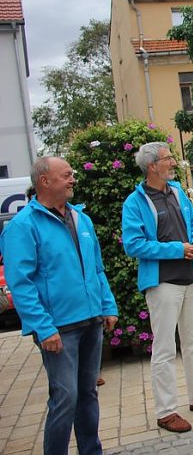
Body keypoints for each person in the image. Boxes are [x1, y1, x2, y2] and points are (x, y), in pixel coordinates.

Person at [3, 157, 118, 454]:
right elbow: (21, 283)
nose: (73, 179)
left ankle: (91, 451)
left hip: (91, 320)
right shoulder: (23, 226)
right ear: (45, 181)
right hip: (58, 329)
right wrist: (43, 327)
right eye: (66, 175)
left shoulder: (82, 219)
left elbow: (96, 269)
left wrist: (107, 305)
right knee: (65, 399)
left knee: (87, 394)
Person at [122, 142, 193, 433]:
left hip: (191, 278)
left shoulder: (177, 192)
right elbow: (134, 245)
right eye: (168, 159)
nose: (173, 162)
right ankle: (166, 411)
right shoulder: (135, 202)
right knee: (165, 347)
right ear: (151, 166)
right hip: (162, 283)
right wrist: (177, 250)